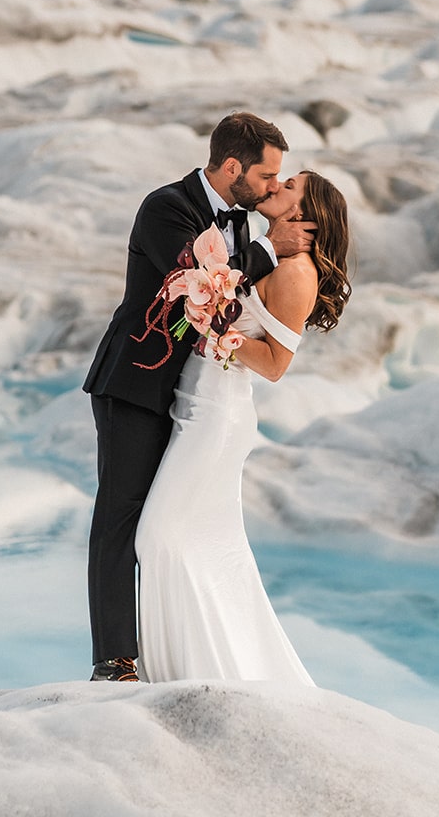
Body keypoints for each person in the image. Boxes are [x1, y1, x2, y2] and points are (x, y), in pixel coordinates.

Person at [83, 112, 315, 683]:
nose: (270, 187)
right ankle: (116, 661)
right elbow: (195, 277)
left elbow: (230, 315)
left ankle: (180, 652)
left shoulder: (245, 222)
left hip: (194, 398)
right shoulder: (167, 208)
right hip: (136, 385)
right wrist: (267, 249)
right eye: (267, 176)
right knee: (122, 518)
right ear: (232, 166)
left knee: (176, 527)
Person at [135, 169, 350, 684]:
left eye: (290, 185)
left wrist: (213, 330)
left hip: (218, 415)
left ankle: (189, 674)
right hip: (196, 401)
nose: (276, 186)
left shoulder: (297, 271)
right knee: (202, 542)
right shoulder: (270, 252)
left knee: (158, 536)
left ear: (307, 214)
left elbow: (276, 363)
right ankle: (212, 670)